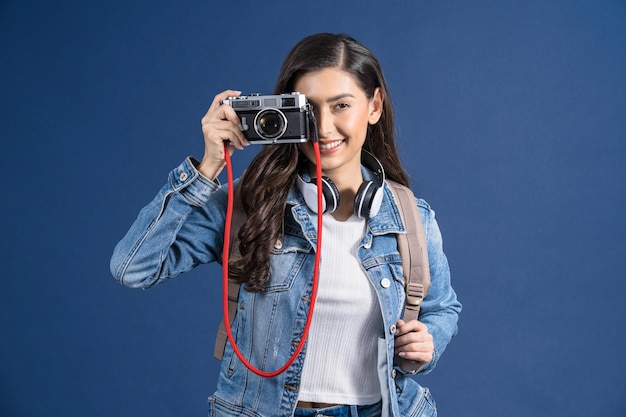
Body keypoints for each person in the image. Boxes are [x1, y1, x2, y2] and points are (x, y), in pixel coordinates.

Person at [110, 32, 461, 417]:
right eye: (308, 109)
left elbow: (442, 309)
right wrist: (206, 168)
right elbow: (133, 268)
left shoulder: (411, 217)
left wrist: (427, 345)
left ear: (374, 105)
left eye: (341, 105)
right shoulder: (250, 204)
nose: (324, 128)